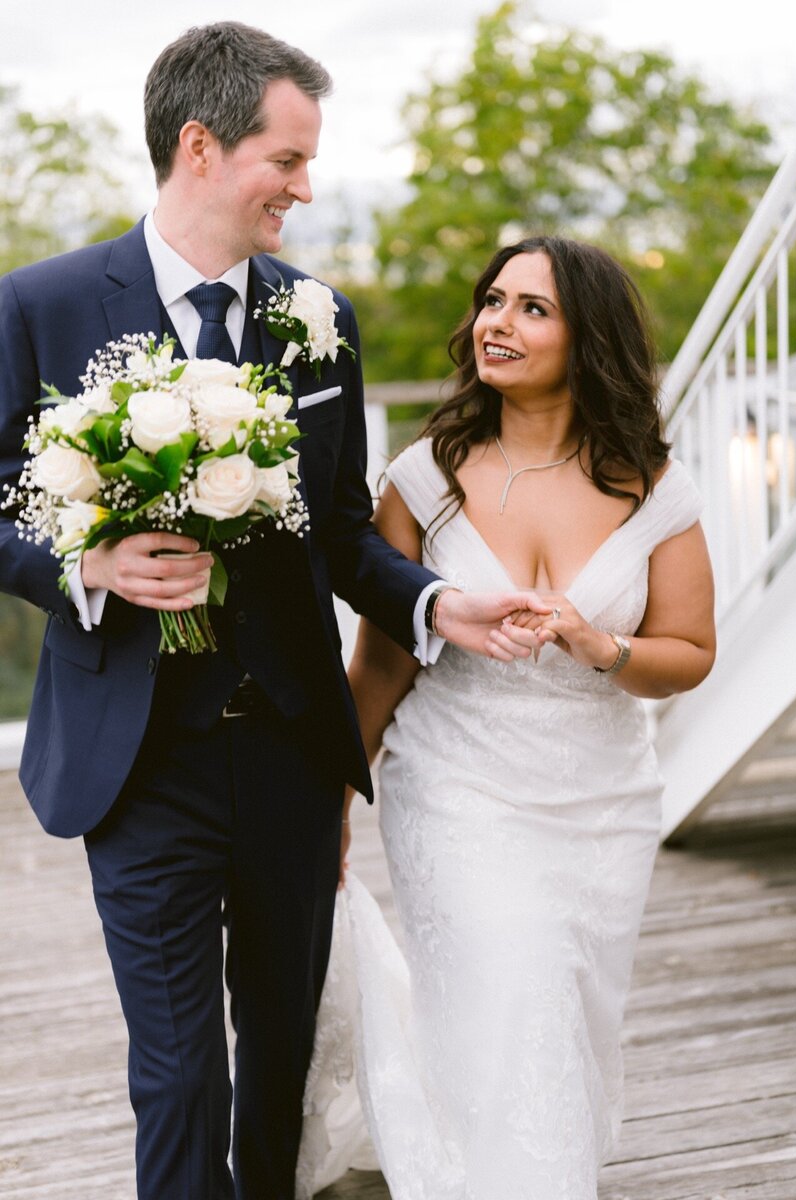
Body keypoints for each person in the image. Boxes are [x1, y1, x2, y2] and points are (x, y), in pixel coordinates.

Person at [0, 25, 545, 1200]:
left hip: (293, 752)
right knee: (181, 1072)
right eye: (286, 161)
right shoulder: (39, 306)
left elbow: (342, 530)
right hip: (136, 760)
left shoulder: (320, 318)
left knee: (282, 1066)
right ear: (201, 146)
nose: (304, 187)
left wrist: (440, 604)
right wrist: (87, 567)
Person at [299, 236, 716, 1199]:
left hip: (600, 799)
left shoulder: (654, 486)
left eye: (534, 308)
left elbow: (689, 654)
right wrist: (332, 805)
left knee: (558, 1010)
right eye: (493, 301)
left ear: (590, 337)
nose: (498, 323)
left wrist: (598, 645)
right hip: (455, 785)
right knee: (515, 980)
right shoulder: (421, 479)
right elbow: (383, 660)